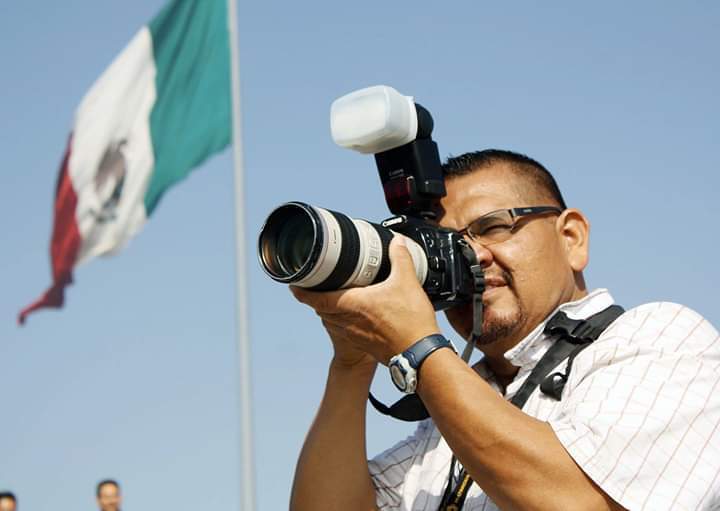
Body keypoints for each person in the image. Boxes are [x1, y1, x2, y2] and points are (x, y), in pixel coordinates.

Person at [289, 149, 720, 510]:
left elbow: (582, 501)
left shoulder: (661, 337)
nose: (472, 257)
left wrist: (418, 346)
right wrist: (352, 363)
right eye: (447, 247)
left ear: (571, 238)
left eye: (494, 226)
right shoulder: (452, 411)